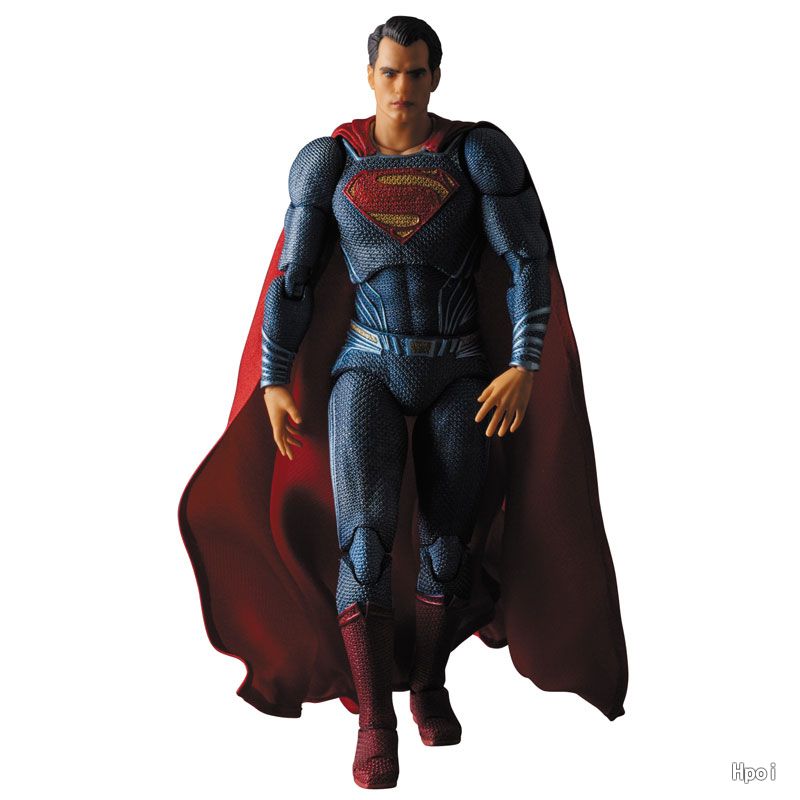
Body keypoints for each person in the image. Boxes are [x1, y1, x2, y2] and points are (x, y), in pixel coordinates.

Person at [178, 14, 627, 792]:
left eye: (416, 73)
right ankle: (374, 722)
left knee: (448, 549)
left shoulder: (477, 153)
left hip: (459, 369)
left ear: (435, 76)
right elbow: (294, 277)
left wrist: (525, 364)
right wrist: (275, 378)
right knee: (364, 544)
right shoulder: (329, 161)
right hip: (367, 367)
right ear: (370, 76)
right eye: (390, 72)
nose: (403, 87)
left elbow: (528, 260)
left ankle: (427, 681)